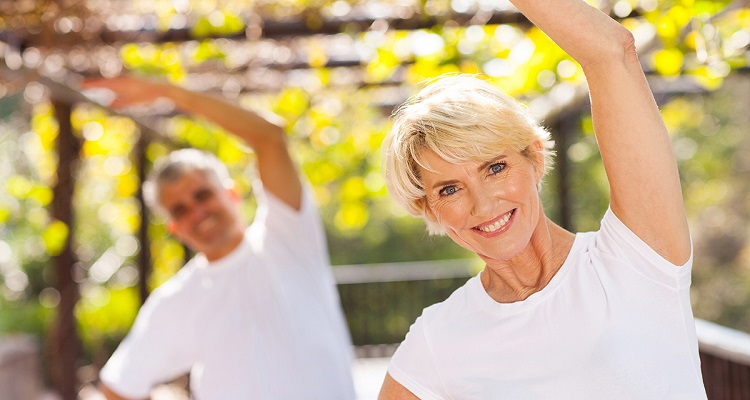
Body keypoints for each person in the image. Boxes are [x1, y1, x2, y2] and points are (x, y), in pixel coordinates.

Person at [378, 0, 706, 398]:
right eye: (449, 189)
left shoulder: (637, 259)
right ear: (428, 208)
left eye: (494, 167)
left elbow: (612, 50)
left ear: (534, 157)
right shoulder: (437, 340)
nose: (483, 205)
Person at [81, 76, 357, 399]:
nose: (198, 213)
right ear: (174, 228)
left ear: (232, 193)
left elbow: (269, 137)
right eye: (180, 210)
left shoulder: (288, 236)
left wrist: (167, 92)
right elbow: (117, 387)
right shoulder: (176, 300)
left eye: (203, 195)